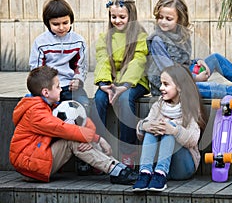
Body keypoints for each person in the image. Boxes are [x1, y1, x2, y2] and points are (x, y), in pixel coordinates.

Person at [9, 65, 138, 184]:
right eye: (58, 86)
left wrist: (92, 137)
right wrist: (98, 139)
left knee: (78, 137)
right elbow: (63, 129)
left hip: (37, 159)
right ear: (46, 93)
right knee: (73, 140)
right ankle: (117, 170)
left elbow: (85, 123)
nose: (61, 90)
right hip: (30, 166)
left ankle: (118, 169)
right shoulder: (35, 113)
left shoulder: (51, 106)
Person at [147, 0, 232, 99]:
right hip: (168, 86)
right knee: (209, 87)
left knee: (215, 58)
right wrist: (195, 78)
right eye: (160, 17)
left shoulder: (181, 36)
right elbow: (170, 72)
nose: (163, 22)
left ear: (180, 20)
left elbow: (180, 61)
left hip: (184, 75)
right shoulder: (157, 40)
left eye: (168, 19)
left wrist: (196, 61)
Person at [29, 0, 91, 175]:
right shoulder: (41, 42)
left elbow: (81, 65)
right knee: (42, 115)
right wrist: (45, 89)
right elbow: (36, 69)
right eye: (56, 24)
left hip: (71, 86)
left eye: (65, 22)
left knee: (84, 107)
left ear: (71, 20)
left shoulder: (78, 41)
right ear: (47, 23)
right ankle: (49, 156)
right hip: (48, 89)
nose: (62, 27)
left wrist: (78, 79)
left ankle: (82, 159)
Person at [93, 0, 149, 169]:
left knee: (125, 100)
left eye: (122, 17)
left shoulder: (140, 35)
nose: (117, 20)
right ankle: (96, 149)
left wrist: (124, 85)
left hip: (134, 81)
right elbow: (103, 60)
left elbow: (138, 61)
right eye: (113, 16)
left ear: (131, 16)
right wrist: (104, 84)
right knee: (99, 99)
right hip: (112, 82)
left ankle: (128, 152)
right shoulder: (105, 37)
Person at [132, 65, 206, 191]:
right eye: (161, 83)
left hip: (183, 167)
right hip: (157, 164)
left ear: (179, 87)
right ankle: (144, 173)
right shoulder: (158, 106)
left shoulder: (190, 108)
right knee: (152, 127)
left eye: (166, 84)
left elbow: (193, 139)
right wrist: (145, 126)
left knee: (169, 126)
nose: (161, 88)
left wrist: (174, 130)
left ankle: (161, 174)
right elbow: (141, 134)